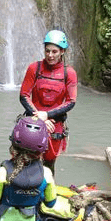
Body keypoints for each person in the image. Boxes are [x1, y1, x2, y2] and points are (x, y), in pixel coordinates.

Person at [19, 30, 78, 175]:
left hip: (54, 125)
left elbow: (71, 101)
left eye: (54, 51)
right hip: (33, 122)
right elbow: (24, 95)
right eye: (47, 51)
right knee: (26, 162)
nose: (50, 55)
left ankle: (47, 195)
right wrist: (40, 117)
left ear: (62, 51)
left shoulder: (69, 73)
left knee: (48, 166)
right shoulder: (35, 68)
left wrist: (47, 114)